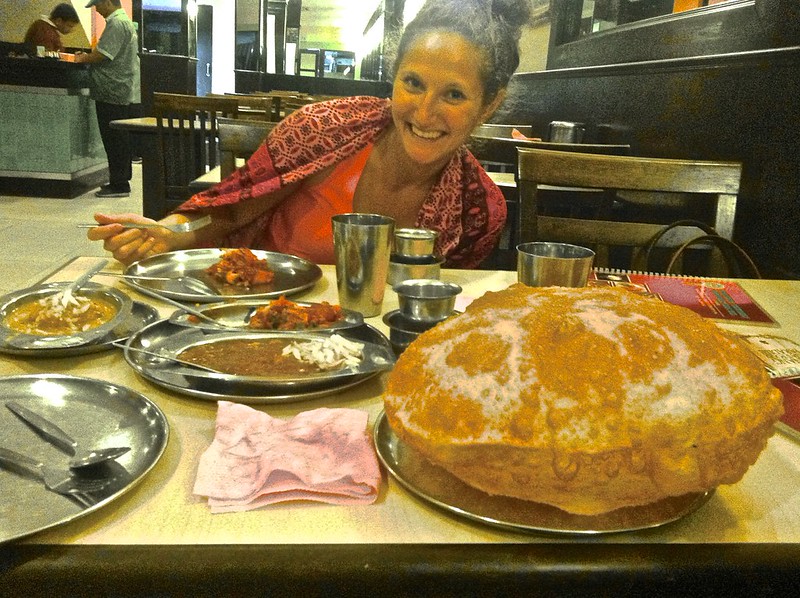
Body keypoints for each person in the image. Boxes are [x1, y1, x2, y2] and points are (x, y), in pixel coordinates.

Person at [88, 0, 530, 268]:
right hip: (260, 319)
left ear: (489, 103)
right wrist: (169, 233)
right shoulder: (321, 130)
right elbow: (228, 215)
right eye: (412, 83)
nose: (424, 112)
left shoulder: (480, 208)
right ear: (393, 76)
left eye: (454, 94)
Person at [75, 0, 140, 198]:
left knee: (114, 139)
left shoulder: (116, 23)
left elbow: (103, 54)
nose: (97, 10)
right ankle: (120, 180)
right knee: (118, 138)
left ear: (108, 2)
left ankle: (119, 184)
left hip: (111, 89)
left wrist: (81, 58)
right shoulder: (124, 22)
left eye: (98, 5)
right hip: (118, 89)